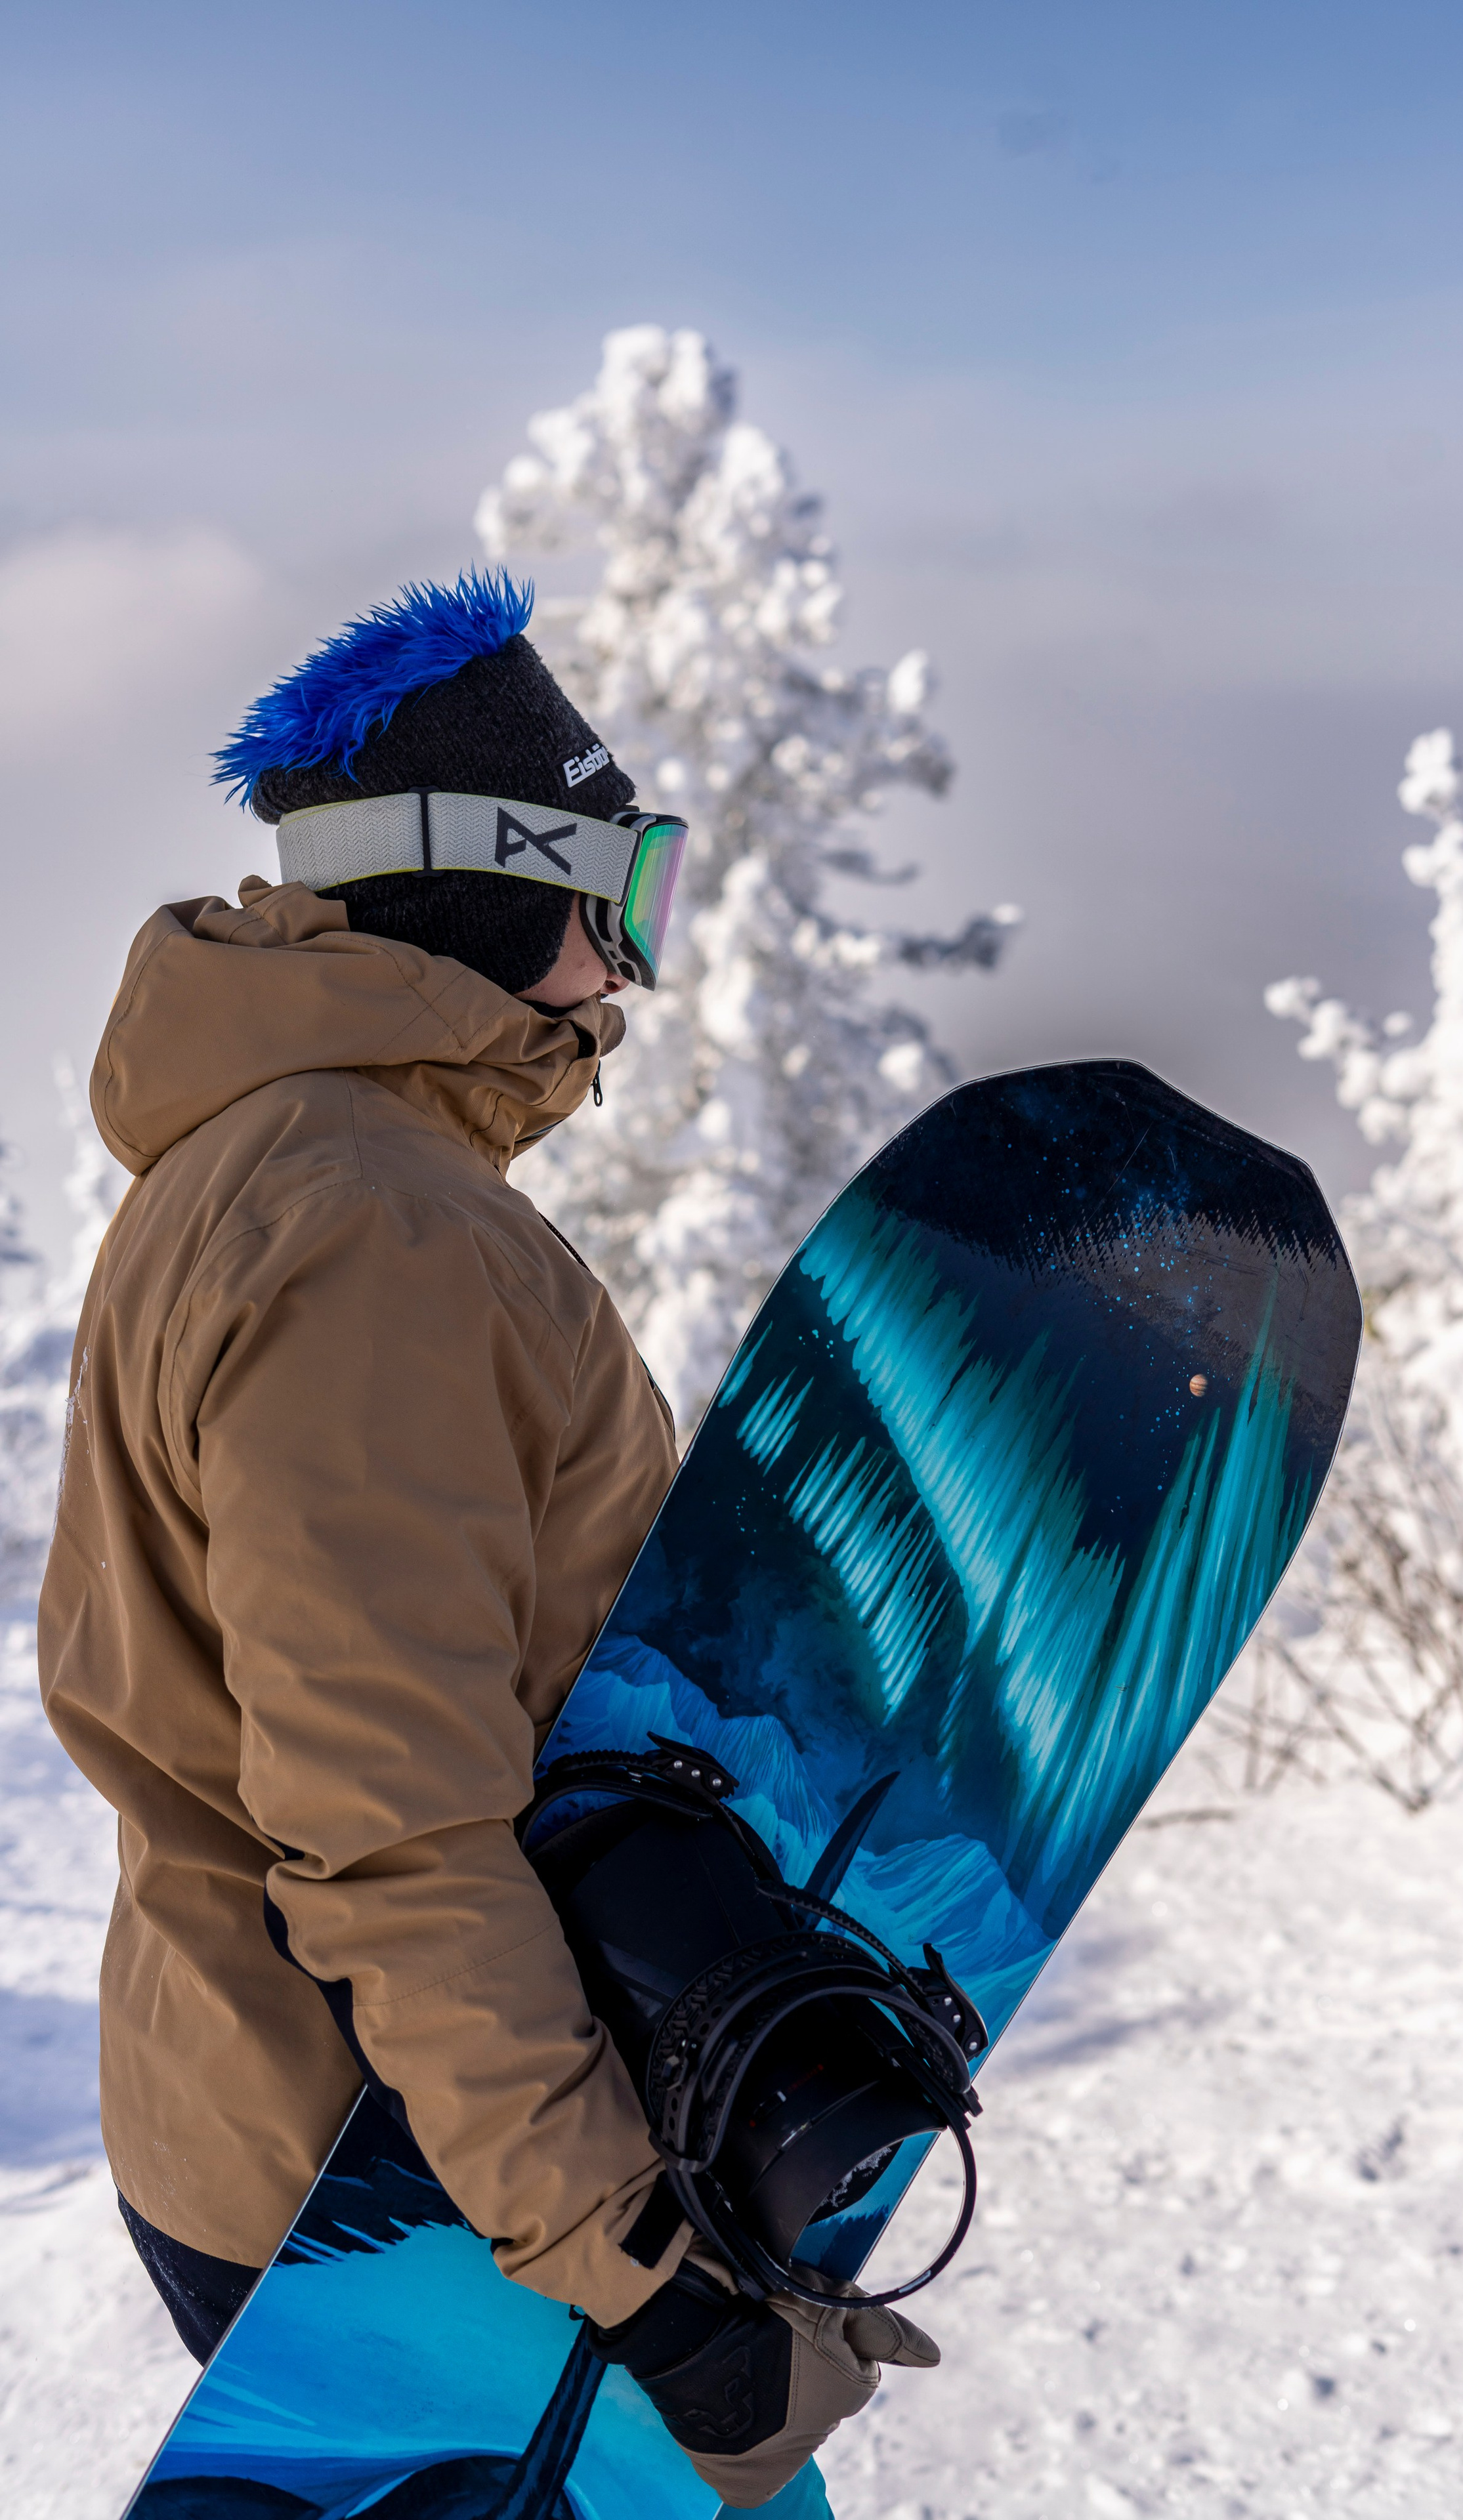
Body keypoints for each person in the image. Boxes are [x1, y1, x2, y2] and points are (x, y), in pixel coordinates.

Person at [39, 574, 935, 2509]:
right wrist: (644, 2271)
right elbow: (390, 1821)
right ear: (490, 888)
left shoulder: (265, 1164)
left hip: (296, 2101)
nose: (630, 971)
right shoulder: (377, 1231)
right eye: (622, 901)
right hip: (412, 2177)